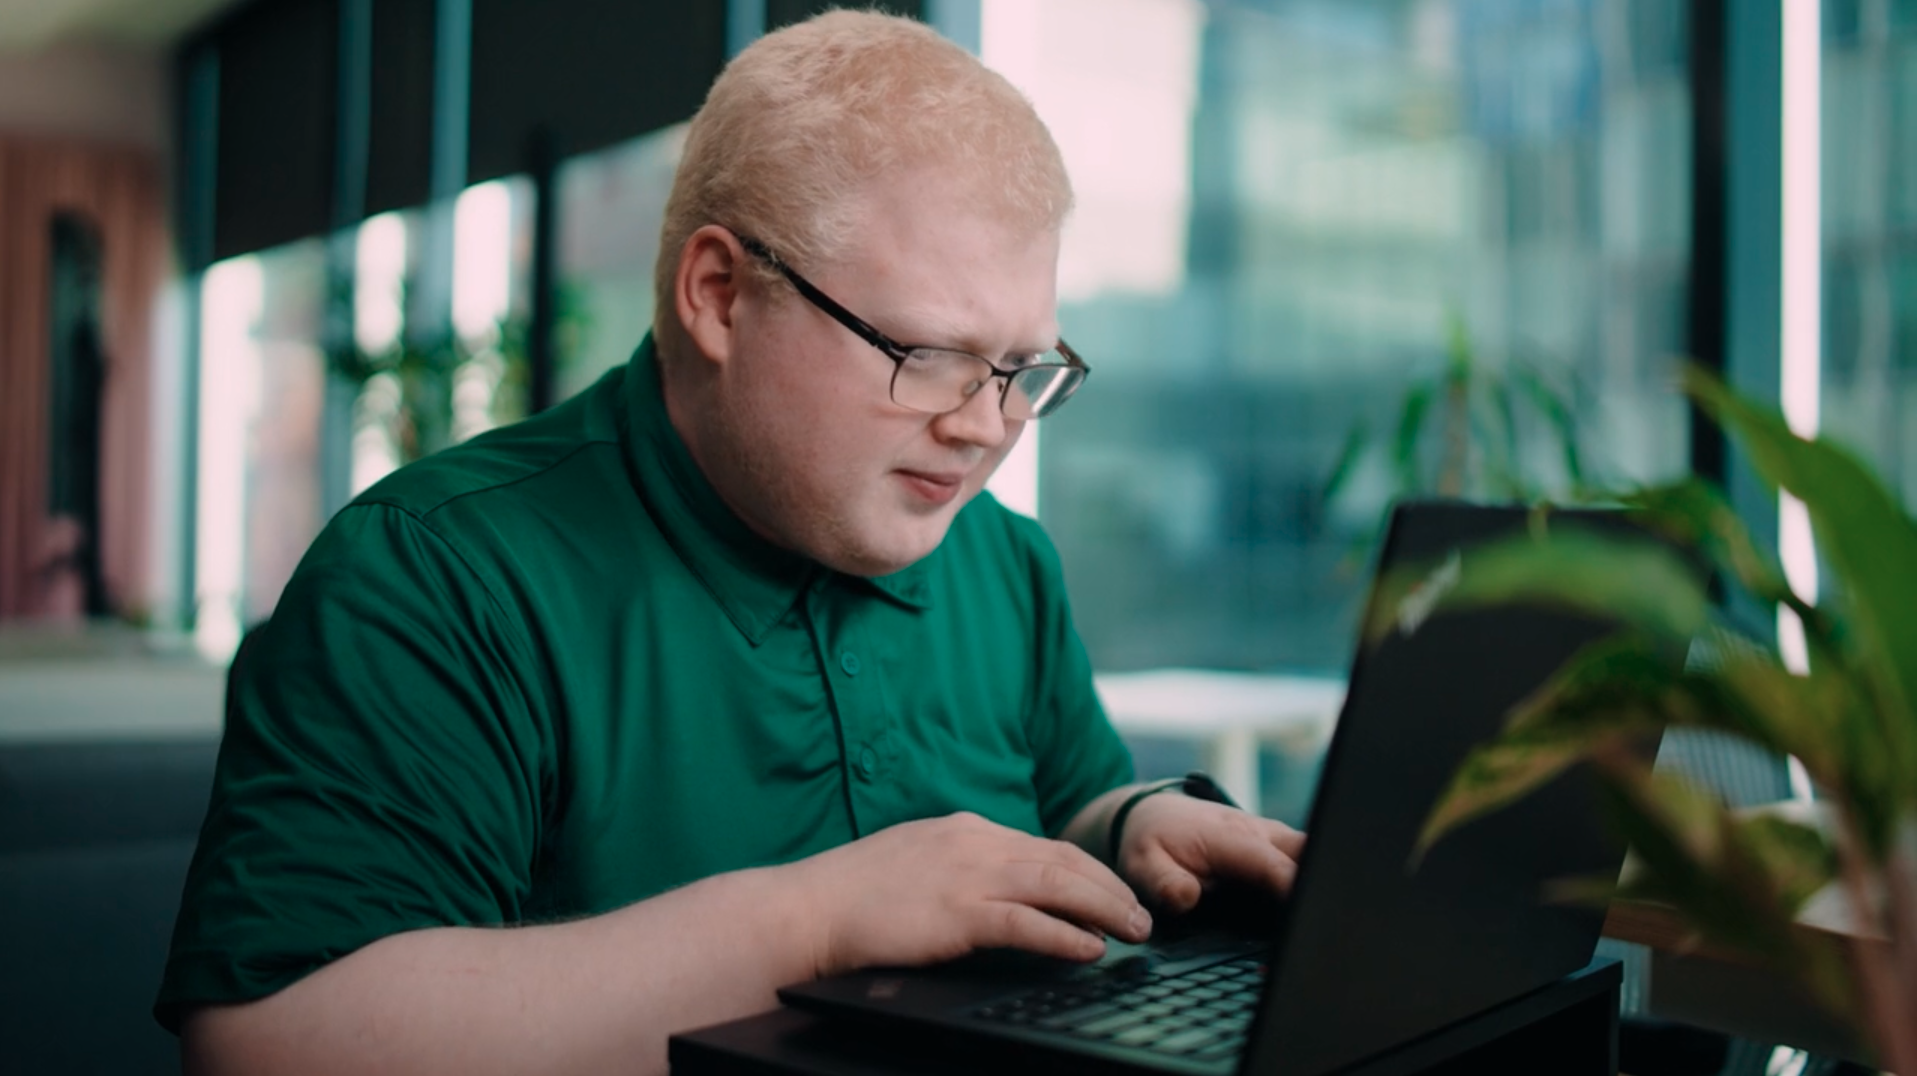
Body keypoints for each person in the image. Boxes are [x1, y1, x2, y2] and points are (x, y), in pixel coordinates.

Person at [161, 11, 1305, 1075]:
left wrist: (1133, 826)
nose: (985, 425)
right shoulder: (432, 574)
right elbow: (272, 1038)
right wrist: (807, 922)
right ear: (718, 294)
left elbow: (1064, 808)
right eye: (928, 354)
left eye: (1023, 370)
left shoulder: (1004, 560)